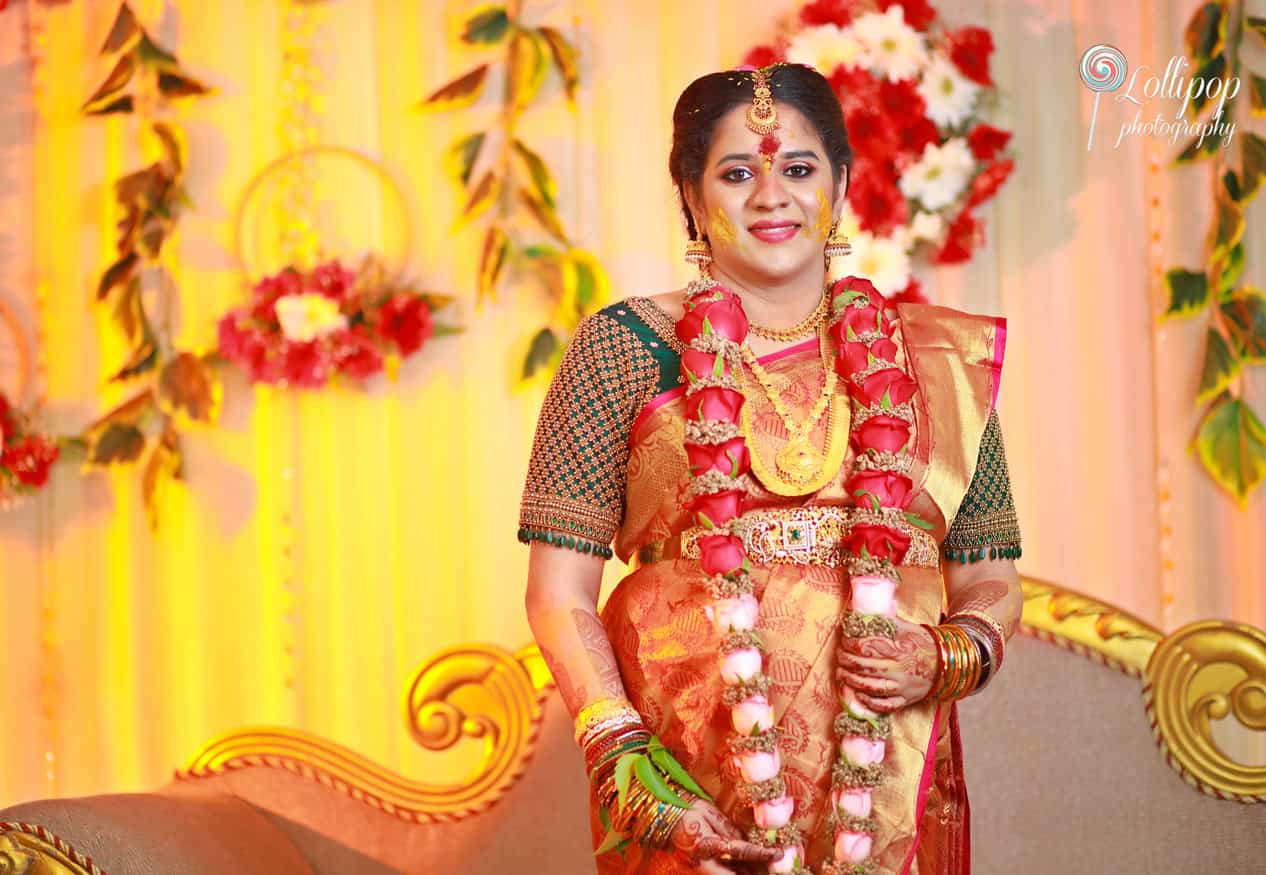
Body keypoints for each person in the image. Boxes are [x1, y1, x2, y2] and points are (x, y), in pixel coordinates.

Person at [521, 62, 1022, 875]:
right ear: (690, 193)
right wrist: (632, 768)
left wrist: (945, 656)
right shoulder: (621, 347)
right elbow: (557, 592)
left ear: (843, 183)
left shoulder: (932, 362)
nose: (770, 196)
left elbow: (991, 570)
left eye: (797, 169)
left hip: (887, 773)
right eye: (735, 172)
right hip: (684, 766)